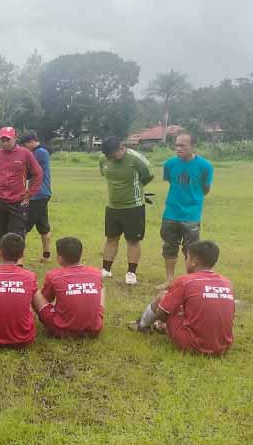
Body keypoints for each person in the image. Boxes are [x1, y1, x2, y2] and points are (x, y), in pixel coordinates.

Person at [132, 240, 234, 356]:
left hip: (193, 345)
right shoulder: (227, 283)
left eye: (187, 257)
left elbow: (161, 312)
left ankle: (142, 325)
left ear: (194, 261)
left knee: (162, 298)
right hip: (224, 346)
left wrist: (165, 322)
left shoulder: (185, 281)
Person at [158, 134, 214, 289]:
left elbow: (206, 188)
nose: (178, 149)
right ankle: (169, 279)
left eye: (183, 145)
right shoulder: (170, 164)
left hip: (192, 214)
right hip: (171, 212)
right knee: (169, 246)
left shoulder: (205, 166)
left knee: (192, 249)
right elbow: (171, 181)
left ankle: (190, 280)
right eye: (176, 145)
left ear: (193, 146)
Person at [99, 136, 154, 285]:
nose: (112, 158)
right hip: (112, 206)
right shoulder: (104, 159)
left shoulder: (136, 159)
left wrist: (136, 188)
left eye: (114, 155)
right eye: (109, 156)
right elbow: (104, 173)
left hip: (133, 207)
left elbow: (148, 175)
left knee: (133, 240)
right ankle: (106, 269)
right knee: (111, 238)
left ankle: (131, 273)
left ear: (121, 147)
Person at [33, 237, 104, 338]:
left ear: (60, 258)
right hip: (94, 329)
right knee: (102, 287)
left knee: (34, 290)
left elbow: (45, 300)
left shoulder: (54, 275)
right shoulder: (96, 273)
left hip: (61, 330)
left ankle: (29, 319)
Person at [0, 127, 43, 246]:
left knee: (18, 232)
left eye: (8, 140)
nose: (5, 142)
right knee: (1, 231)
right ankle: (4, 259)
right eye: (2, 140)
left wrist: (30, 193)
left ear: (15, 139)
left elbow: (38, 173)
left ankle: (18, 263)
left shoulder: (25, 154)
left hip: (18, 200)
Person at [19, 131, 53, 262]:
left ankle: (11, 254)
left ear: (31, 142)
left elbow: (28, 171)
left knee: (22, 226)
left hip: (37, 195)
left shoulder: (40, 153)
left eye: (24, 146)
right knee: (43, 226)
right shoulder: (40, 152)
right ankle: (47, 256)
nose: (24, 149)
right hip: (41, 194)